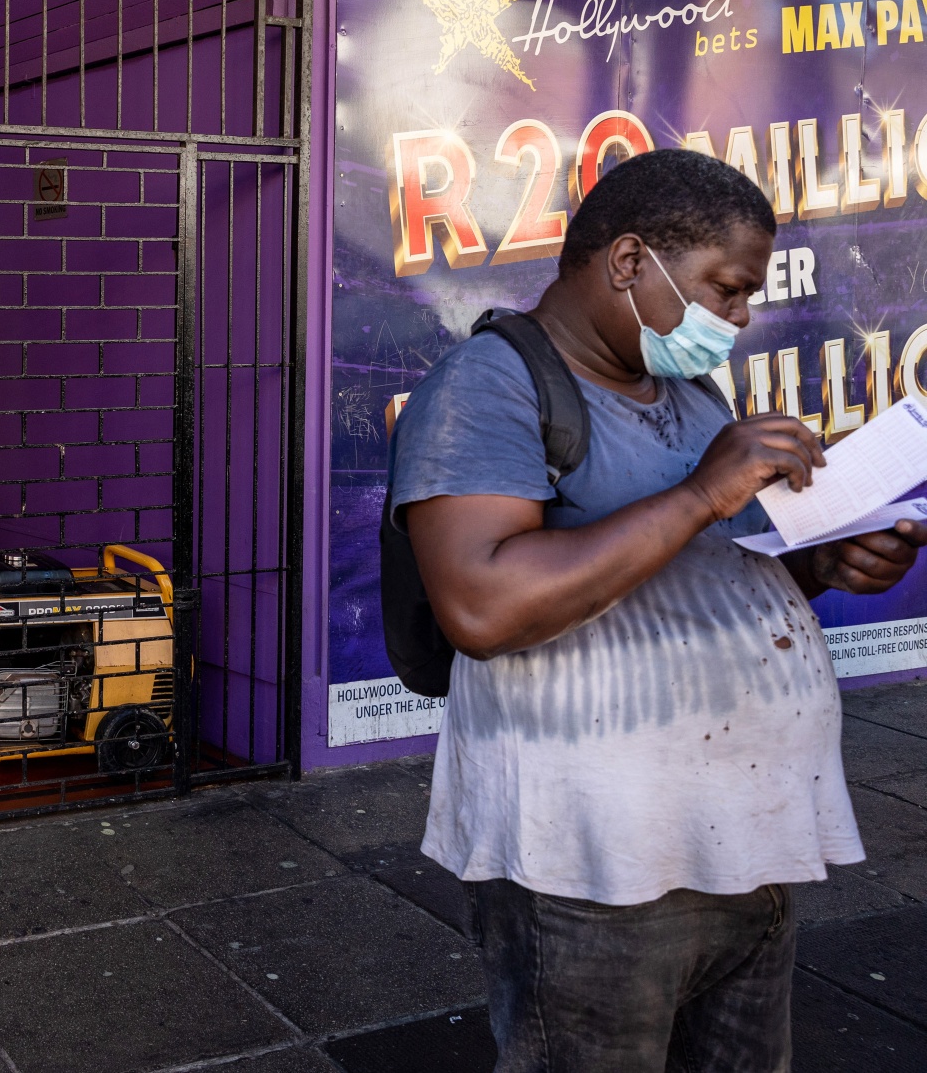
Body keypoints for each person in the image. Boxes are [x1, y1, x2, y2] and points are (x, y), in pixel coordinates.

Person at [389, 150, 925, 1070]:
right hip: (594, 862)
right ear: (630, 261)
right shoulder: (487, 386)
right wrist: (702, 494)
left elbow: (703, 571)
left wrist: (824, 563)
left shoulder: (688, 389)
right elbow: (483, 605)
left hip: (745, 835)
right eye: (727, 289)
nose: (741, 317)